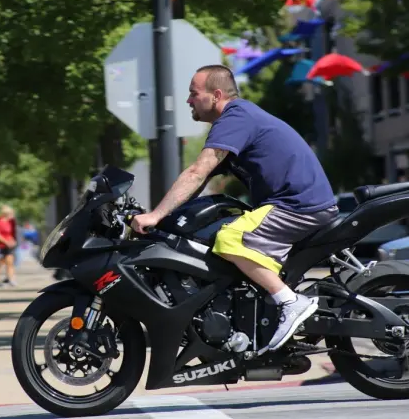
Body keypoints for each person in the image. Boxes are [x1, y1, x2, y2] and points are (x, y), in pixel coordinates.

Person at [131, 65, 338, 352]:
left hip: (297, 206)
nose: (188, 101)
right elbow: (200, 181)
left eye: (193, 93)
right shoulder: (238, 120)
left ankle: (289, 302)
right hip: (293, 205)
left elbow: (196, 172)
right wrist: (166, 218)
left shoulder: (236, 117)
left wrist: (154, 215)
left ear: (216, 95)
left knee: (230, 238)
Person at [0, 205, 18, 288]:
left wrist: (12, 241)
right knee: (0, 264)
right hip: (2, 245)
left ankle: (11, 279)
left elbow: (9, 234)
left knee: (10, 263)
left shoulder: (9, 222)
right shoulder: (0, 222)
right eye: (11, 213)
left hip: (9, 246)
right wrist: (6, 242)